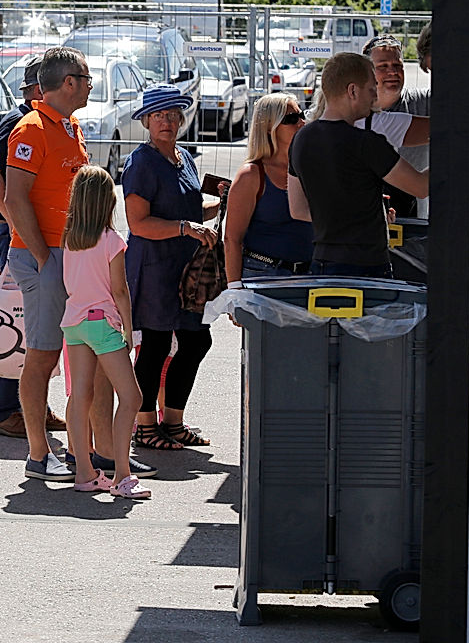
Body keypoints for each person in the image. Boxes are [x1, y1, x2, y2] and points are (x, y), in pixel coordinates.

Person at [3, 46, 91, 481]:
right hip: (45, 256)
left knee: (74, 350)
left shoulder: (69, 124)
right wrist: (42, 258)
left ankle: (84, 450)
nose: (91, 85)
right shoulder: (31, 128)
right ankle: (39, 454)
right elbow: (14, 197)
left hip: (68, 254)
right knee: (41, 356)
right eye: (86, 77)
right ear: (68, 81)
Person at [121, 85, 219, 452]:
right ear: (146, 120)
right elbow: (138, 223)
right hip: (155, 267)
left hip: (185, 269)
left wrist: (221, 204)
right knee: (157, 344)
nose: (167, 120)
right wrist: (185, 227)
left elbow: (189, 211)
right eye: (159, 115)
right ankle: (145, 426)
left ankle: (172, 421)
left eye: (173, 114)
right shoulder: (141, 161)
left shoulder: (184, 157)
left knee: (196, 339)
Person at [0, 55, 66, 439]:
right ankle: (8, 409)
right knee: (14, 320)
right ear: (37, 90)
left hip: (30, 236)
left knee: (34, 327)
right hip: (20, 239)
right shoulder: (20, 122)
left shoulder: (49, 123)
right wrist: (13, 221)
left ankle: (32, 404)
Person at [287, 53, 429, 278]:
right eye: (372, 89)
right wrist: (453, 148)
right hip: (367, 266)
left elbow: (297, 209)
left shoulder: (300, 139)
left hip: (322, 263)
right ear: (352, 91)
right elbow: (421, 187)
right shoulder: (366, 142)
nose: (375, 98)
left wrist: (355, 211)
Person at [59, 166, 151, 500]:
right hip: (103, 323)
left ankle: (85, 471)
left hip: (74, 323)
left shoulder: (69, 239)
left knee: (79, 396)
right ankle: (122, 475)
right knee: (132, 397)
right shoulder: (112, 240)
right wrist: (127, 328)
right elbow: (120, 290)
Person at [223, 93, 315, 284]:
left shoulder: (311, 169)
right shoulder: (251, 175)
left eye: (301, 115)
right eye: (290, 119)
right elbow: (232, 240)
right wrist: (234, 291)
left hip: (310, 277)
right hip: (262, 277)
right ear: (268, 127)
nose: (300, 123)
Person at [363, 35, 431, 218]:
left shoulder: (425, 102)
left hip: (417, 219)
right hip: (370, 219)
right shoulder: (355, 113)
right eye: (383, 67)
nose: (392, 72)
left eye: (397, 65)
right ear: (367, 72)